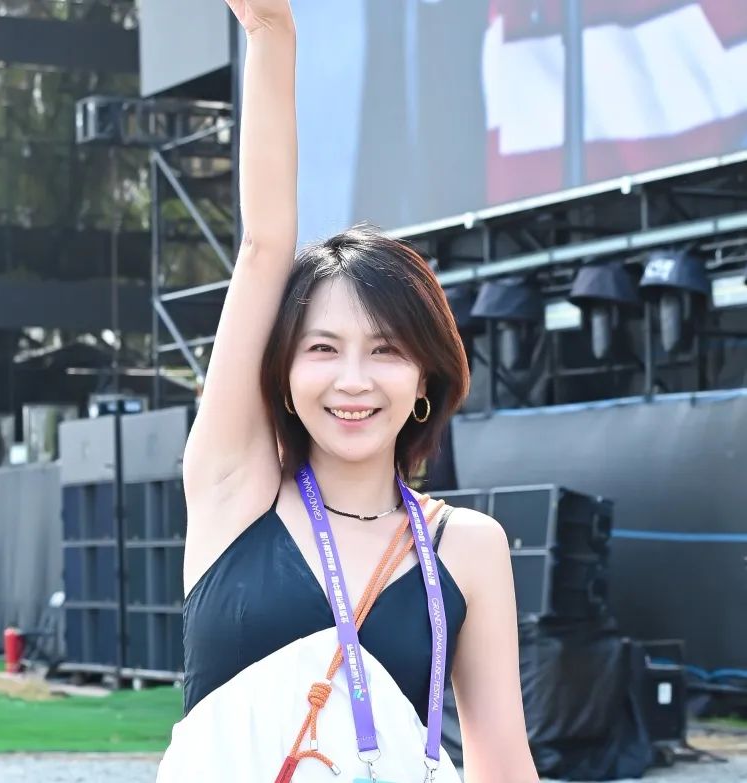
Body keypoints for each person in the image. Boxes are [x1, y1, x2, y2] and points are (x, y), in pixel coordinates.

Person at [157, 1, 540, 781]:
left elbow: (501, 762)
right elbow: (265, 244)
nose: (353, 380)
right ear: (284, 376)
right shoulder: (236, 493)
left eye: (386, 350)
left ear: (425, 376)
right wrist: (271, 34)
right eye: (323, 348)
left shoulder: (467, 547)